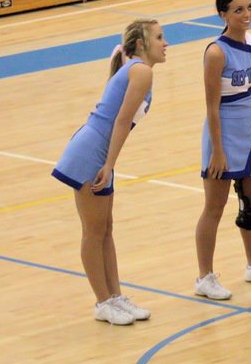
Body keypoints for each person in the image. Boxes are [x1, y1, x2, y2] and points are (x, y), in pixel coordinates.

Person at [52, 19, 167, 325]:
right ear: (141, 45)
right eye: (159, 37)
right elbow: (120, 121)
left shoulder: (136, 69)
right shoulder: (141, 71)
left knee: (105, 228)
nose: (165, 43)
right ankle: (103, 301)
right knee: (93, 230)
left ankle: (115, 295)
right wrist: (110, 165)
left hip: (100, 152)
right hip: (92, 153)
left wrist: (110, 162)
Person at [194, 0, 251, 301]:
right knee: (214, 207)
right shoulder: (216, 52)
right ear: (223, 15)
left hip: (249, 130)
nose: (246, 15)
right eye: (238, 10)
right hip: (222, 132)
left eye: (250, 8)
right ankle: (204, 277)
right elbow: (211, 106)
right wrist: (217, 151)